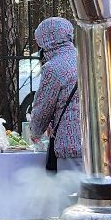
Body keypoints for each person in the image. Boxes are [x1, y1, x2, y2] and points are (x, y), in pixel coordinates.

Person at [26, 16, 82, 167]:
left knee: (72, 190)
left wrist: (35, 132)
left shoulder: (53, 67)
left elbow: (43, 107)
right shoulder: (86, 59)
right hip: (99, 145)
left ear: (44, 41)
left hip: (71, 146)